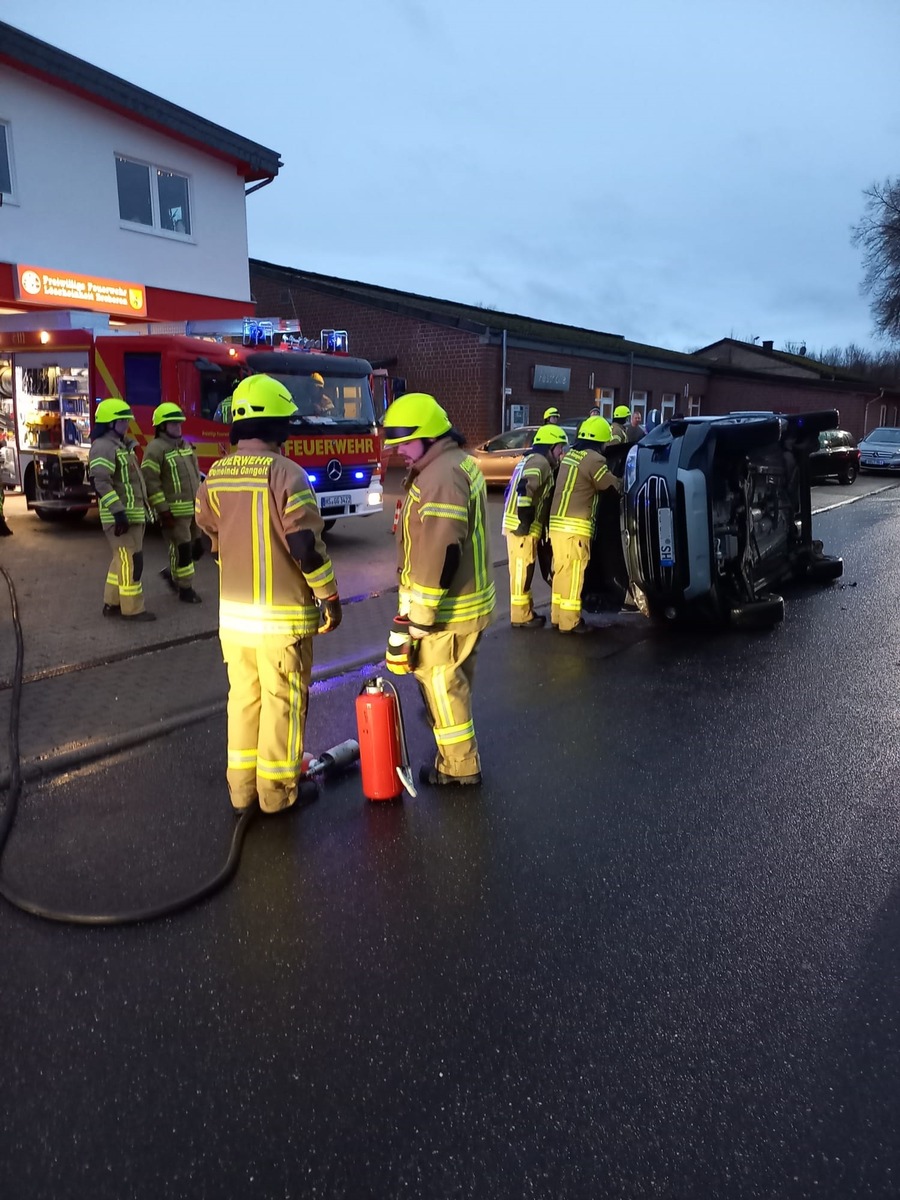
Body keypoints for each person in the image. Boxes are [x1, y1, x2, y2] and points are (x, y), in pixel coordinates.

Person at [195, 374, 342, 815]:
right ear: (279, 425)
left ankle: (242, 794)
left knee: (243, 701)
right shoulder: (286, 474)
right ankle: (278, 796)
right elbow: (304, 546)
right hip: (281, 624)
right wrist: (329, 597)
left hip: (234, 624)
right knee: (282, 704)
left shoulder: (217, 473)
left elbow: (207, 533)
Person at [382, 392, 494, 787]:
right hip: (467, 604)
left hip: (447, 612)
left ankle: (459, 767)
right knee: (454, 686)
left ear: (430, 436)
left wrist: (420, 619)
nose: (399, 453)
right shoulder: (455, 463)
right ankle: (455, 755)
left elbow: (441, 548)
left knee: (443, 686)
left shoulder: (440, 476)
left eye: (405, 443)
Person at [548, 415, 621, 633]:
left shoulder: (571, 456)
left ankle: (558, 617)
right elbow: (608, 485)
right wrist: (624, 482)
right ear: (601, 441)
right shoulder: (594, 460)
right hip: (575, 527)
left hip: (558, 525)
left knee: (561, 571)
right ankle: (571, 623)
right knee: (574, 575)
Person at [88, 398, 154, 621]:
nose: (126, 424)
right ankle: (132, 609)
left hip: (131, 514)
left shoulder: (119, 445)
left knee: (121, 561)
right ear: (109, 423)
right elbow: (101, 482)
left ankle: (112, 603)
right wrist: (118, 513)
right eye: (122, 421)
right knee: (131, 562)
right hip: (120, 517)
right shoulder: (103, 447)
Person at [501, 423, 568, 628]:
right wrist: (525, 521)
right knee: (522, 571)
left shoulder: (531, 459)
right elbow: (525, 488)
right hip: (522, 527)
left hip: (519, 524)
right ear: (549, 447)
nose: (561, 453)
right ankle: (521, 617)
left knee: (523, 570)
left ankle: (525, 611)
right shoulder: (540, 462)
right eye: (559, 448)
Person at [141, 402, 203, 604]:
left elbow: (196, 476)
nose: (178, 427)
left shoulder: (185, 446)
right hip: (174, 514)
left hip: (193, 510)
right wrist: (163, 511)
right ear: (161, 427)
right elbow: (151, 482)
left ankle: (173, 574)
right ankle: (186, 588)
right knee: (182, 550)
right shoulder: (155, 449)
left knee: (196, 549)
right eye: (173, 424)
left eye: (179, 424)